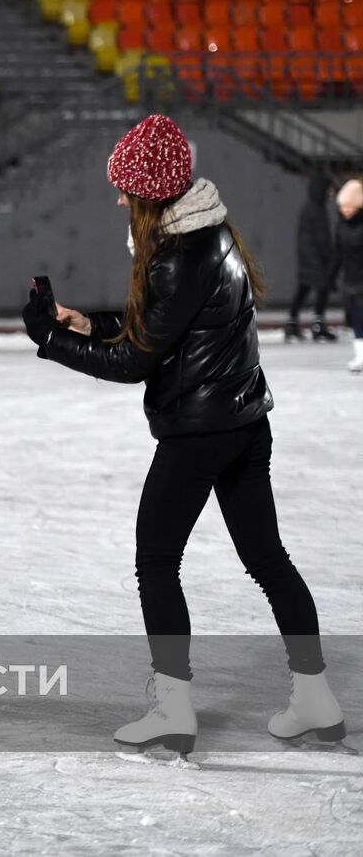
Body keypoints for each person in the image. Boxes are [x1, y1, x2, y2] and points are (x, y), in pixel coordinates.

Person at [21, 114, 345, 754]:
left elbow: (135, 360)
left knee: (155, 563)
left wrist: (51, 341)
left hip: (201, 435)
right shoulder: (211, 234)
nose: (118, 198)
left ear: (150, 191)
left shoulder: (175, 257)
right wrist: (85, 322)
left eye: (125, 187)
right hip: (246, 425)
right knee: (268, 560)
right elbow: (160, 328)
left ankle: (173, 713)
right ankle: (315, 699)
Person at [284, 174, 339, 342]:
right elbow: (319, 238)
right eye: (329, 189)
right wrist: (327, 258)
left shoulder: (312, 208)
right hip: (315, 260)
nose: (331, 193)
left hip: (310, 259)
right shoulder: (315, 210)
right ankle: (316, 324)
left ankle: (293, 324)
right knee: (320, 289)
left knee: (304, 289)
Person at [335, 179, 363, 372]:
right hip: (350, 281)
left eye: (349, 206)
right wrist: (330, 277)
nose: (345, 210)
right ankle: (360, 356)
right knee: (355, 319)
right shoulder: (341, 226)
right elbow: (337, 253)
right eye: (343, 206)